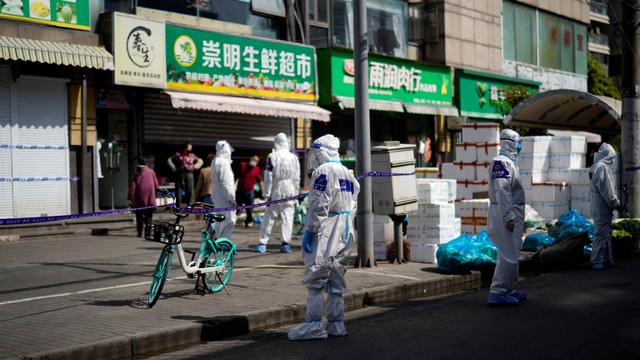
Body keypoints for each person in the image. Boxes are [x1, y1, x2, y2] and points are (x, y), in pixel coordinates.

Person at [288, 134, 359, 341]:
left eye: (316, 152)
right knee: (336, 279)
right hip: (346, 228)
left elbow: (319, 205)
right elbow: (354, 200)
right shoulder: (347, 172)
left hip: (327, 229)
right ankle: (336, 324)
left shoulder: (323, 172)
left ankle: (314, 326)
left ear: (322, 151)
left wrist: (310, 231)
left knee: (316, 279)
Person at [486, 129, 526, 306]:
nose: (519, 146)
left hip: (510, 212)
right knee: (508, 254)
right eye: (517, 142)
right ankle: (498, 292)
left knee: (513, 251)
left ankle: (508, 288)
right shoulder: (500, 163)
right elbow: (502, 191)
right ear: (509, 142)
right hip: (505, 214)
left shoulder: (509, 162)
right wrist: (509, 216)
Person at [256, 133, 301, 253]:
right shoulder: (294, 157)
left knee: (270, 216)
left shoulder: (272, 156)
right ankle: (285, 244)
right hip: (290, 189)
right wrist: (296, 194)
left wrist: (267, 193)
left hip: (277, 189)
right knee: (288, 217)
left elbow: (268, 176)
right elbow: (297, 178)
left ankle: (263, 243)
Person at [589, 143, 622, 270]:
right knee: (601, 233)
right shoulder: (601, 168)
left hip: (598, 204)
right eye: (611, 156)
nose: (613, 159)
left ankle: (606, 258)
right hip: (601, 205)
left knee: (605, 232)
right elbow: (607, 191)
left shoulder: (595, 166)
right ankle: (597, 260)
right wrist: (615, 203)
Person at [211, 140, 237, 239]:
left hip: (217, 192)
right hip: (224, 194)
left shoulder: (215, 161)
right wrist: (231, 198)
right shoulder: (224, 163)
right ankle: (223, 241)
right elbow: (227, 183)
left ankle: (218, 237)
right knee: (229, 218)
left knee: (219, 216)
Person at [128, 157, 159, 237]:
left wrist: (130, 197)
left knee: (139, 215)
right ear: (146, 163)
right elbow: (156, 185)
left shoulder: (137, 173)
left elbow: (132, 186)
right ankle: (148, 232)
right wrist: (156, 195)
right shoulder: (151, 172)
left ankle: (140, 231)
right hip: (150, 198)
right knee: (149, 216)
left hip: (140, 198)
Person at [236, 155, 263, 228]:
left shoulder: (256, 169)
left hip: (250, 192)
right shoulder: (242, 165)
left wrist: (262, 191)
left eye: (256, 161)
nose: (255, 162)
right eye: (254, 160)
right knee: (237, 207)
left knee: (249, 210)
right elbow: (237, 176)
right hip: (240, 191)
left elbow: (260, 181)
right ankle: (232, 220)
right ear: (251, 159)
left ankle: (248, 222)